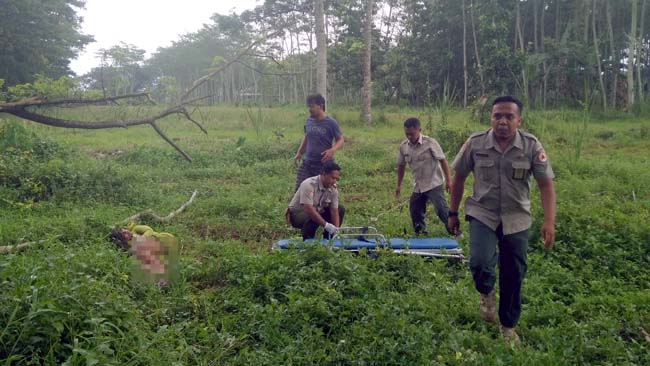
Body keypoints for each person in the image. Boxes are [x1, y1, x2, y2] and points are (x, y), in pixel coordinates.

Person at [447, 95, 556, 344]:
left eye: (509, 116)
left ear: (519, 120)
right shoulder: (475, 143)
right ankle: (486, 292)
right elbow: (459, 179)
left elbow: (546, 185)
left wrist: (549, 222)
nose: (503, 121)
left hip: (517, 218)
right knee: (479, 262)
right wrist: (452, 213)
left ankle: (508, 326)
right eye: (497, 116)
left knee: (514, 273)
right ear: (491, 118)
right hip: (482, 213)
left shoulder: (531, 146)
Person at [395, 117, 453, 236]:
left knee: (442, 210)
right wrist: (398, 185)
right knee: (415, 210)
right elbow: (401, 166)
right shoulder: (404, 146)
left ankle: (455, 232)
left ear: (419, 130)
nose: (410, 137)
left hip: (433, 183)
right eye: (407, 134)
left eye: (412, 134)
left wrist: (448, 181)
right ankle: (421, 234)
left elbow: (443, 161)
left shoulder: (430, 143)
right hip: (418, 186)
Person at [293, 94, 344, 191]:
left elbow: (340, 140)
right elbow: (307, 137)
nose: (309, 109)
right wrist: (299, 152)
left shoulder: (331, 123)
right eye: (309, 106)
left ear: (320, 106)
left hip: (323, 165)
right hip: (308, 162)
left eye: (312, 106)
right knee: (299, 190)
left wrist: (332, 150)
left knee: (325, 191)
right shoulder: (309, 121)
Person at [287, 161, 345, 240]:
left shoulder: (333, 188)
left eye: (336, 179)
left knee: (340, 209)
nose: (334, 181)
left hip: (316, 211)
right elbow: (308, 209)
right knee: (312, 216)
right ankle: (308, 241)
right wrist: (326, 225)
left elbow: (334, 210)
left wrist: (336, 229)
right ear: (324, 174)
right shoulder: (309, 184)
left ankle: (330, 239)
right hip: (298, 214)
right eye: (332, 177)